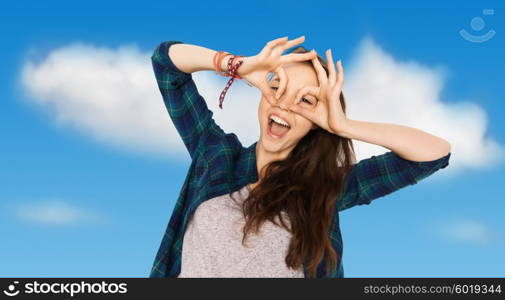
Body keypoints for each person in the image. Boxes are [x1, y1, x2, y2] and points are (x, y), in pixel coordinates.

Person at [149, 36, 451, 278]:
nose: (285, 105)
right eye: (277, 87)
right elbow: (166, 63)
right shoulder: (216, 157)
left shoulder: (324, 187)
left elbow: (432, 154)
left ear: (315, 122)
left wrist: (342, 126)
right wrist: (236, 66)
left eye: (306, 101)